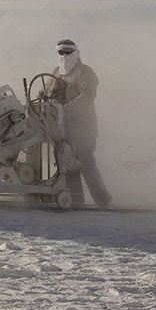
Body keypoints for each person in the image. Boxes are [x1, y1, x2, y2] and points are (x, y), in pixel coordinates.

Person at [51, 39, 112, 208]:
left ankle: (103, 199)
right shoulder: (57, 72)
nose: (64, 56)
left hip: (83, 125)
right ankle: (76, 199)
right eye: (60, 53)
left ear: (76, 53)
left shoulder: (85, 72)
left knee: (85, 160)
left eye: (67, 52)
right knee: (67, 161)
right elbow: (49, 91)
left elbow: (87, 96)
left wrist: (65, 111)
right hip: (64, 127)